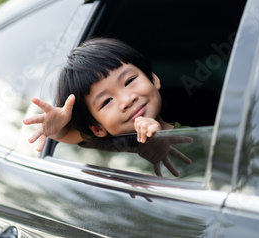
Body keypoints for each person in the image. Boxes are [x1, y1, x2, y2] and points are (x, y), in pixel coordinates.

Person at [24, 38, 192, 176]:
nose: (126, 100)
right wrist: (57, 128)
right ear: (97, 129)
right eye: (106, 102)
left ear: (153, 79)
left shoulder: (195, 137)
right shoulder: (106, 150)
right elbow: (70, 135)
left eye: (129, 81)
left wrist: (161, 136)